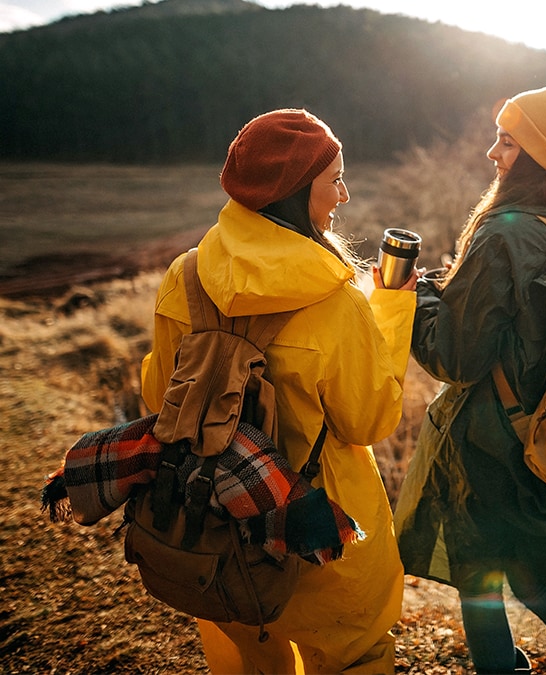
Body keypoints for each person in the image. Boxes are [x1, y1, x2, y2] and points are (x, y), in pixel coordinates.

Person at [140, 109, 419, 674]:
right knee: (354, 655)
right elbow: (369, 420)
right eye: (334, 179)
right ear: (294, 192)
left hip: (211, 520)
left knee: (246, 650)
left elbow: (156, 393)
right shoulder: (336, 304)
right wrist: (391, 306)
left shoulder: (184, 276)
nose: (343, 194)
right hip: (318, 526)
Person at [393, 82, 546, 674]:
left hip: (496, 441)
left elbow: (457, 357)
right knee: (540, 578)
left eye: (507, 141)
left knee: (483, 572)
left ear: (536, 153)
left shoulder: (505, 229)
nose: (493, 153)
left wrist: (416, 297)